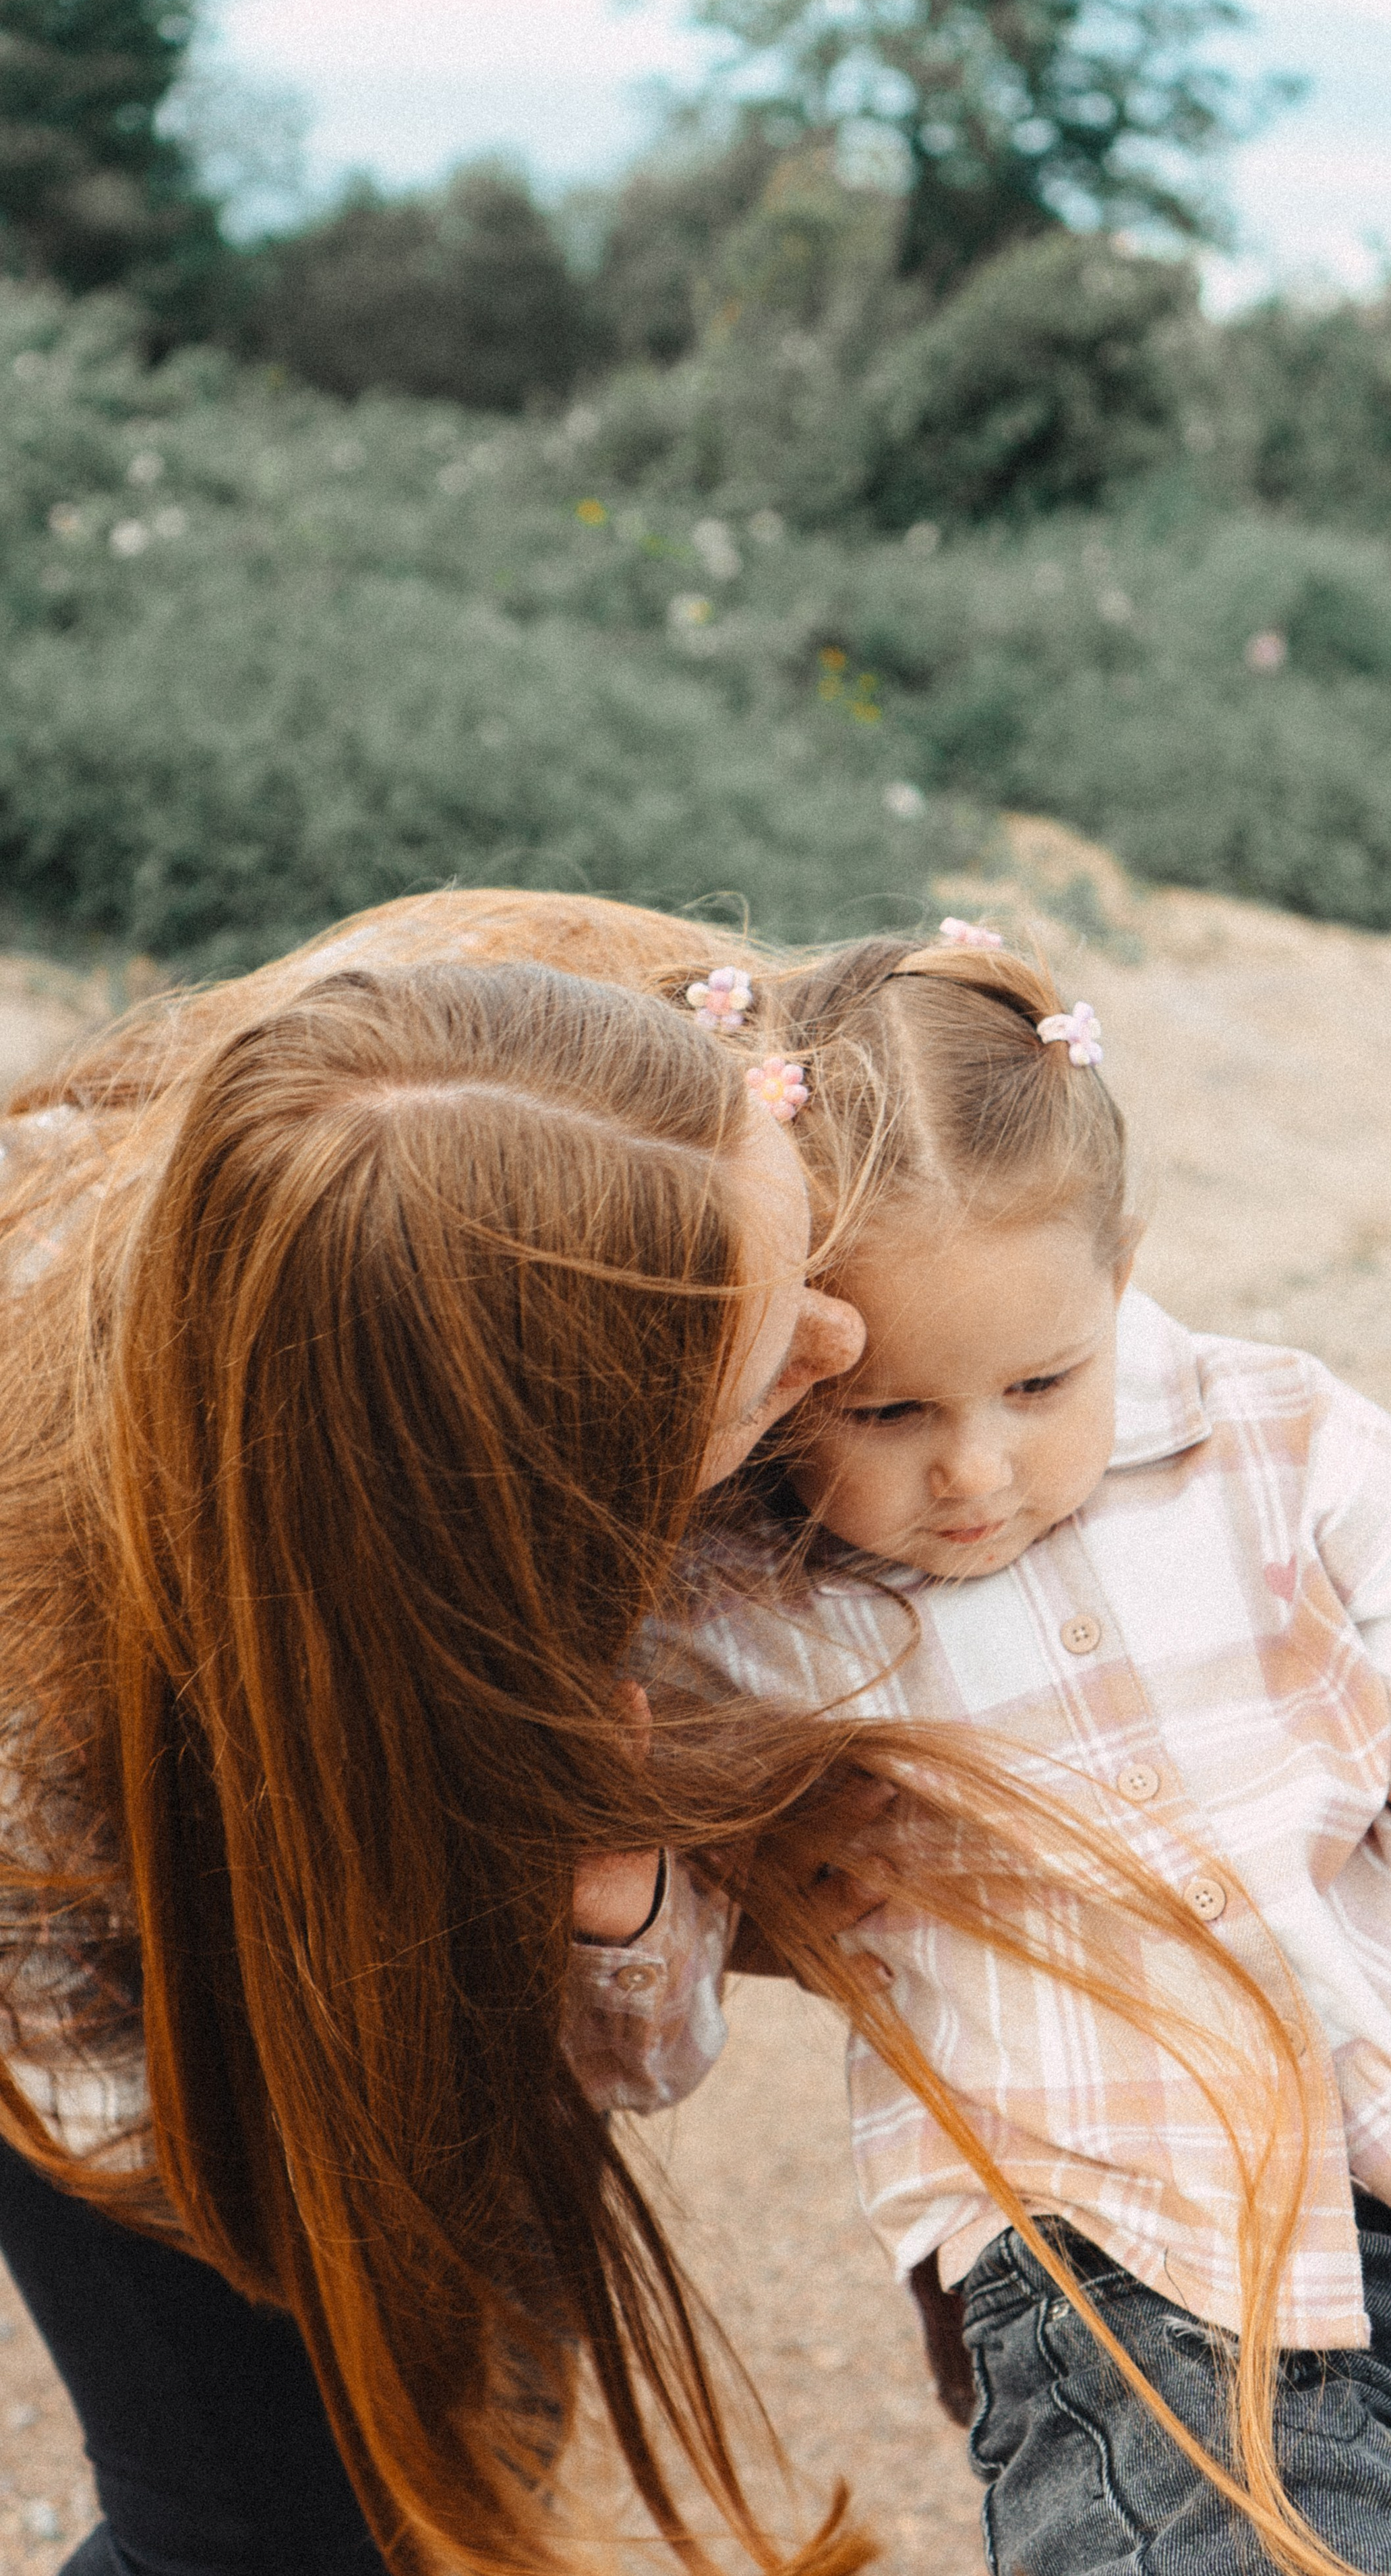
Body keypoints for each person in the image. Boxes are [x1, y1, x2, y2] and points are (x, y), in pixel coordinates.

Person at [680, 928, 1391, 2576]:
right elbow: (638, 2019)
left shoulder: (1298, 1450)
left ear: (1120, 1272)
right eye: (885, 1412)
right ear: (787, 1358)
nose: (974, 1471)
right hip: (1128, 2306)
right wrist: (627, 1886)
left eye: (1041, 1381)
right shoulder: (743, 1605)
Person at [0, 891, 874, 2576]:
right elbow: (146, 2108)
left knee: (483, 2421)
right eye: (763, 1371)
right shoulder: (55, 1740)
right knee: (267, 2521)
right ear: (538, 1494)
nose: (840, 1351)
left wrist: (611, 1905)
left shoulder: (515, 1088)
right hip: (114, 1964)